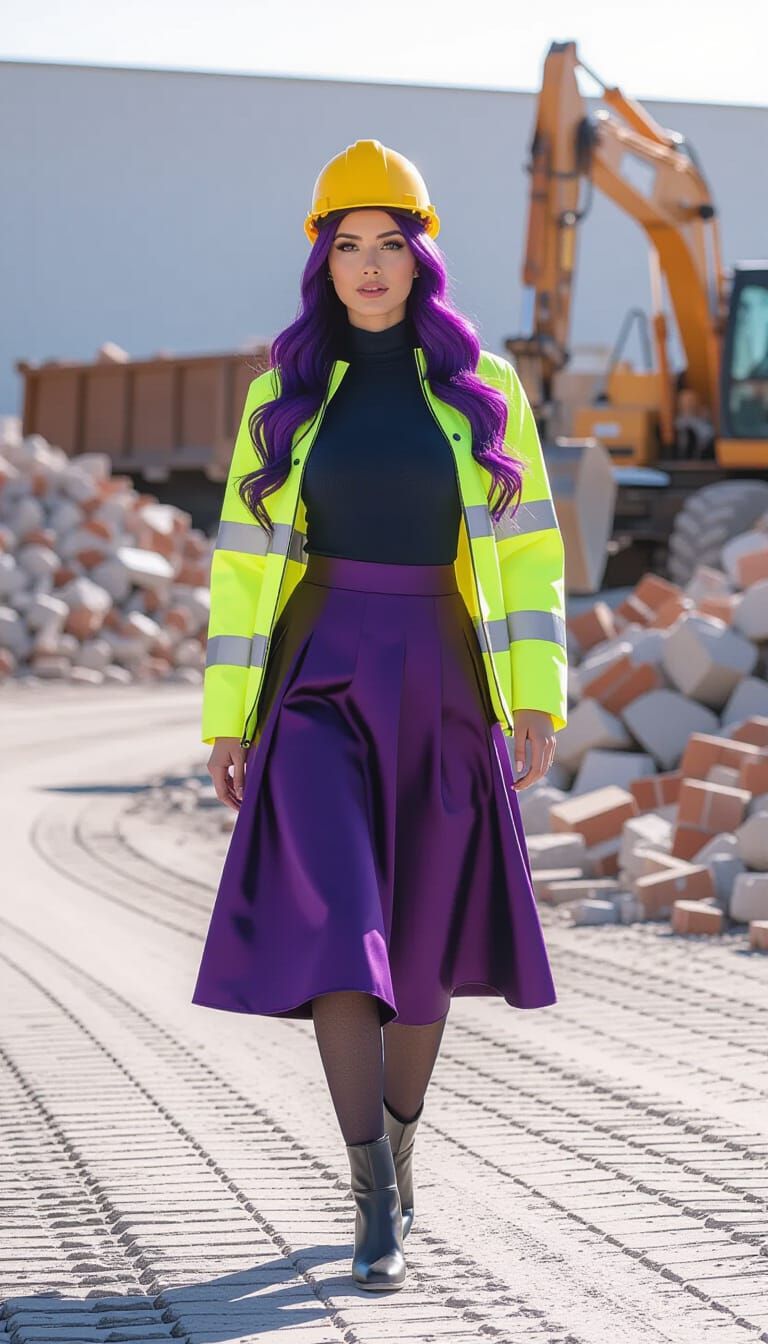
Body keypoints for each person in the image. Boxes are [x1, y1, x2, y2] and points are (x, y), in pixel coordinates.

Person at [191, 139, 568, 1292]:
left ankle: (402, 1151)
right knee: (340, 929)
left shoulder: (484, 391)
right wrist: (227, 717)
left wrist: (537, 697)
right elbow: (244, 566)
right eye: (346, 245)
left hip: (445, 677)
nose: (368, 267)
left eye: (389, 245)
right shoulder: (285, 391)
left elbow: (533, 553)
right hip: (315, 680)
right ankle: (370, 1203)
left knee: (422, 947)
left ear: (421, 256)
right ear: (322, 258)